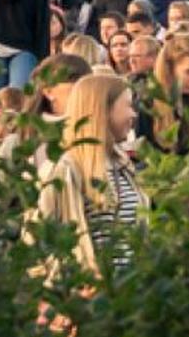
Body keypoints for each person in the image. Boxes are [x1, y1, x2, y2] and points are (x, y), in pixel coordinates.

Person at [39, 70, 145, 275]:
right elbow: (41, 238)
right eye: (128, 105)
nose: (134, 114)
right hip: (89, 296)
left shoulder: (123, 165)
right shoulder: (65, 168)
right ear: (103, 110)